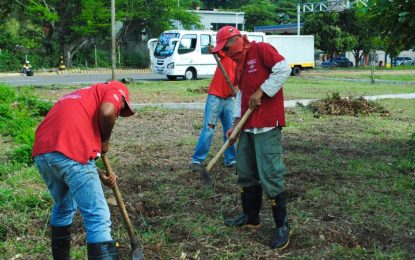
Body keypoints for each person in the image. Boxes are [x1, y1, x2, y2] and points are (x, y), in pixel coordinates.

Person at [32, 80, 135, 259]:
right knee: (98, 217)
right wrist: (105, 141)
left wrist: (98, 174)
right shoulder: (114, 89)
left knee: (64, 206)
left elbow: (66, 157)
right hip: (70, 155)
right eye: (121, 110)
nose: (117, 115)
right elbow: (107, 111)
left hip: (43, 153)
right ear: (123, 98)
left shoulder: (79, 97)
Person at [211, 26, 292, 250]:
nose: (226, 54)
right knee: (245, 172)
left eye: (226, 48)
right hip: (247, 126)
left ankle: (282, 226)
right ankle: (250, 216)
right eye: (223, 52)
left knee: (270, 173)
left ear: (237, 40)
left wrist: (262, 92)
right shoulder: (239, 65)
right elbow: (241, 98)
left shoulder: (262, 50)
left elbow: (284, 69)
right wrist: (236, 124)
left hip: (267, 124)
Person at [190, 45, 237, 173]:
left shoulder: (242, 64)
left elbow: (240, 85)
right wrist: (212, 49)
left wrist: (236, 91)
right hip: (215, 97)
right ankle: (197, 160)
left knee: (231, 131)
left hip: (229, 99)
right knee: (209, 129)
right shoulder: (227, 54)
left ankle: (231, 159)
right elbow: (216, 50)